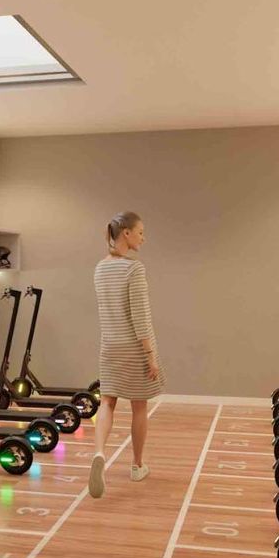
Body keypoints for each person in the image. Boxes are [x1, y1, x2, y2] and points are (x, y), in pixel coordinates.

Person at [88, 211, 165, 499]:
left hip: (109, 345)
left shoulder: (100, 268)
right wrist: (150, 355)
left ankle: (99, 453)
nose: (144, 238)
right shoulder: (134, 269)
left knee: (107, 402)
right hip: (134, 347)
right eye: (140, 232)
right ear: (126, 234)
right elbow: (140, 317)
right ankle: (137, 465)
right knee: (139, 407)